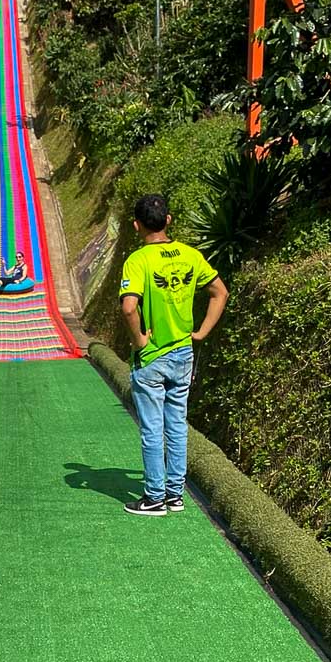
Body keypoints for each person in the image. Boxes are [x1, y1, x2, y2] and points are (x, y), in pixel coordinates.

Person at [119, 193, 228, 516]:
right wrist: (202, 332)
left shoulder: (138, 261)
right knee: (177, 424)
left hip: (152, 356)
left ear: (136, 225)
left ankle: (154, 497)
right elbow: (220, 292)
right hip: (183, 352)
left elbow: (128, 307)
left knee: (153, 428)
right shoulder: (190, 255)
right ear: (168, 220)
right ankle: (175, 494)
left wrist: (139, 339)